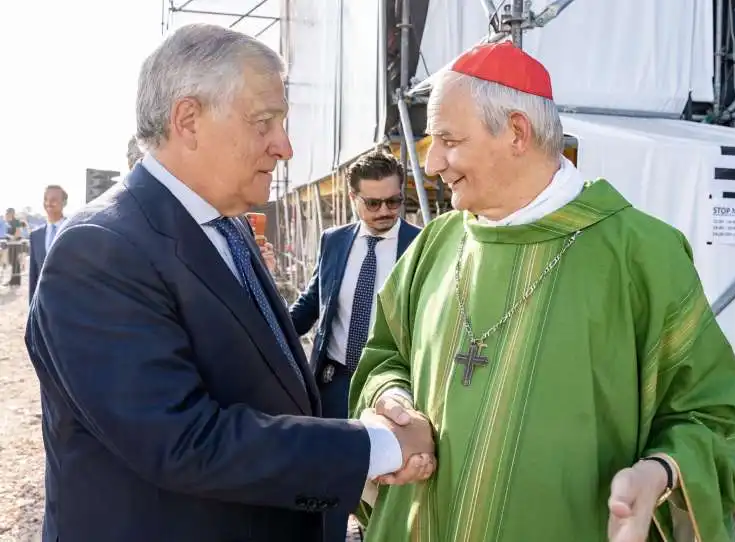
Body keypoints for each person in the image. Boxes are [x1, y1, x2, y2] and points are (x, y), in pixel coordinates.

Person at [25, 23, 435, 542]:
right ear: (189, 120)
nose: (284, 147)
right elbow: (181, 439)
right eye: (265, 122)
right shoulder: (101, 250)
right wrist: (374, 445)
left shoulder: (226, 225)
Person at [349, 40, 735, 542]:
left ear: (516, 132)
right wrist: (394, 404)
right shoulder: (434, 243)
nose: (432, 166)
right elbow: (385, 356)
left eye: (450, 141)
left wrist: (659, 473)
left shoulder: (640, 253)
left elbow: (708, 412)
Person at [289, 149, 422, 541]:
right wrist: (265, 333)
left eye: (395, 201)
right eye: (374, 202)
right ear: (353, 200)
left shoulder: (420, 245)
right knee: (328, 482)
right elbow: (310, 305)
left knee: (385, 485)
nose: (385, 210)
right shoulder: (334, 242)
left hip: (389, 390)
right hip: (333, 383)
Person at [29, 185, 68, 301]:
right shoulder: (36, 235)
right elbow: (33, 275)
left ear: (64, 203)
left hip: (68, 300)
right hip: (43, 302)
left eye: (54, 199)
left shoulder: (74, 230)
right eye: (46, 199)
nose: (48, 203)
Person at [3, 208, 23, 287]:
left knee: (15, 262)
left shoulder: (15, 221)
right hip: (11, 244)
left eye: (7, 213)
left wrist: (11, 237)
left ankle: (16, 281)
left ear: (11, 213)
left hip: (15, 244)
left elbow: (18, 233)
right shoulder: (10, 223)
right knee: (13, 261)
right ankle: (14, 280)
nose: (6, 215)